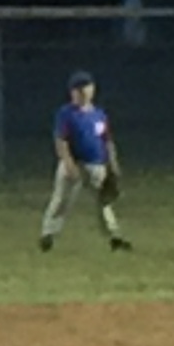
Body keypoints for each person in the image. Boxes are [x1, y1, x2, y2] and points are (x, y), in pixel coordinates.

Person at [39, 71, 130, 251]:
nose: (83, 92)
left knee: (104, 202)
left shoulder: (99, 114)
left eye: (86, 87)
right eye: (78, 89)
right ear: (72, 92)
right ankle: (48, 235)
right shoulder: (66, 113)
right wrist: (68, 163)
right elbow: (61, 141)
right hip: (74, 162)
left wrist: (112, 163)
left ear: (93, 89)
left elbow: (106, 140)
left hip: (97, 165)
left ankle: (115, 237)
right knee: (61, 200)